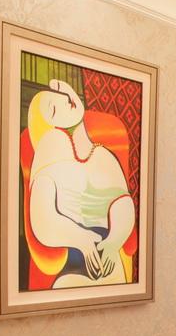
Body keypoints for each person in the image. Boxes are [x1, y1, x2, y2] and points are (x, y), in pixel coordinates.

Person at [26, 79, 135, 288]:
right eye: (53, 108)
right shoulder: (48, 159)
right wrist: (80, 239)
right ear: (49, 126)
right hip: (72, 260)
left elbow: (124, 203)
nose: (65, 101)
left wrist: (113, 242)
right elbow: (43, 221)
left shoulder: (103, 155)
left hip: (110, 258)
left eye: (62, 96)